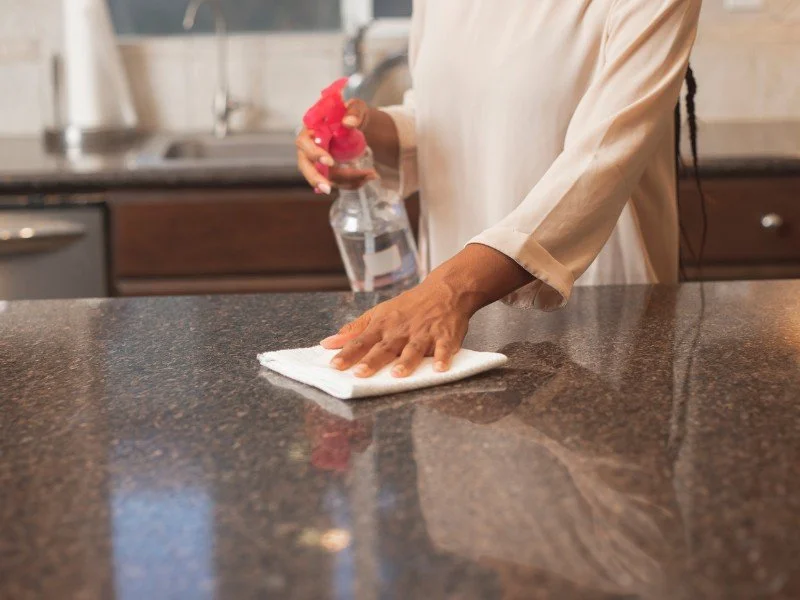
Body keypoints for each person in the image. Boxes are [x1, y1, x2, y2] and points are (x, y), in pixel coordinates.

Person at [295, 0, 702, 379]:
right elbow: (445, 120)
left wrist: (451, 290)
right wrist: (365, 136)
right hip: (443, 314)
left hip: (598, 301)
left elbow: (604, 158)